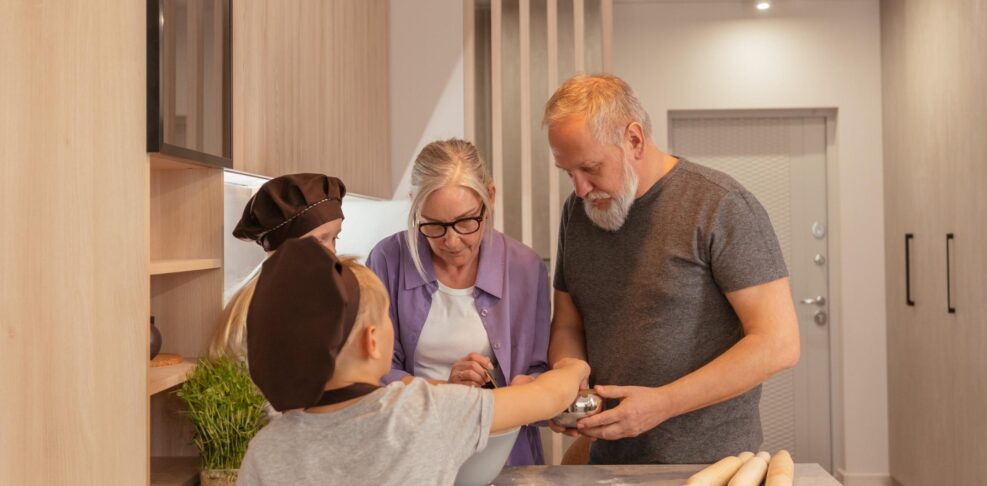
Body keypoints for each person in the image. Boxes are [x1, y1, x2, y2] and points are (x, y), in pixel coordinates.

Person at [543, 74, 801, 464]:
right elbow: (568, 323)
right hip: (609, 461)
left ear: (634, 139)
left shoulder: (721, 206)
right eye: (568, 173)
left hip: (711, 465)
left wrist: (663, 403)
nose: (579, 189)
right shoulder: (576, 214)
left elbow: (778, 343)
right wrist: (569, 383)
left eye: (591, 168)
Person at [238, 236, 590, 485]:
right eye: (388, 314)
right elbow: (546, 397)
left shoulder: (266, 448)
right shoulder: (422, 411)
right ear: (372, 342)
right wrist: (575, 367)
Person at [366, 139, 551, 466]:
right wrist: (446, 391)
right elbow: (373, 375)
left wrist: (526, 390)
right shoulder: (387, 260)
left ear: (489, 198)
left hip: (503, 458)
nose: (451, 242)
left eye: (466, 222)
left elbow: (539, 373)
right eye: (434, 226)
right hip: (411, 459)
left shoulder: (525, 268)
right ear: (415, 206)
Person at [209, 173, 346, 360]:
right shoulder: (261, 312)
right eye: (320, 240)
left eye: (335, 238)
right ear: (283, 247)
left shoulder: (320, 298)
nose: (332, 251)